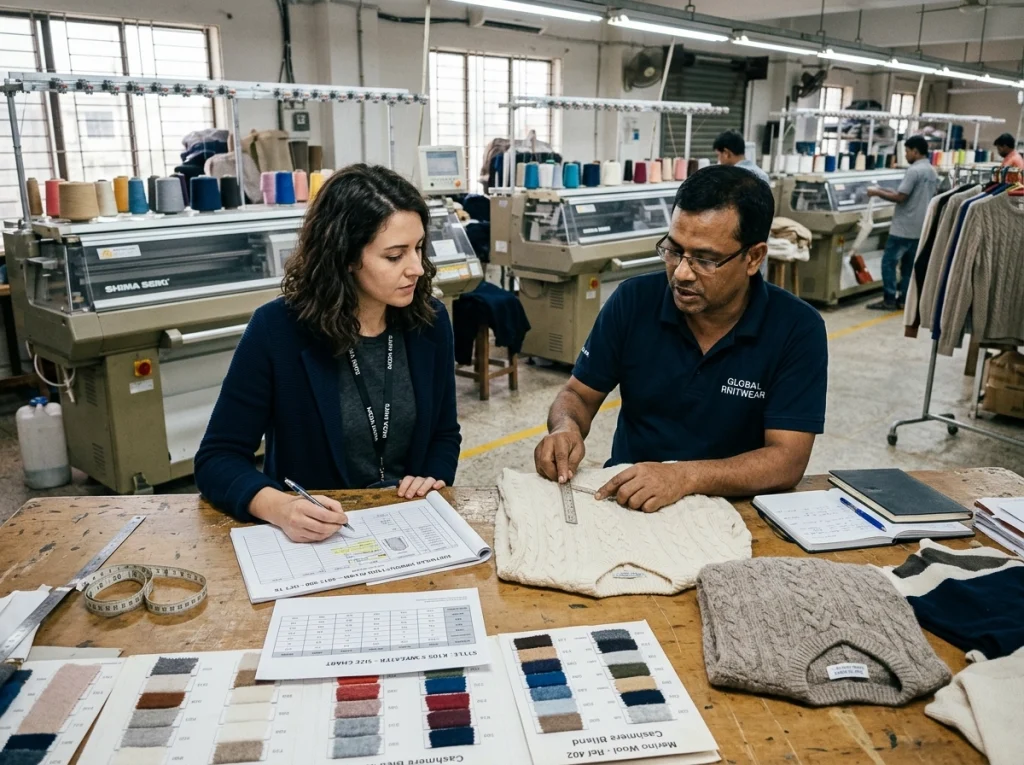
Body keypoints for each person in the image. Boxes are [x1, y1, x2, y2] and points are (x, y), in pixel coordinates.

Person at [533, 165, 827, 512]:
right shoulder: (633, 302)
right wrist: (565, 428)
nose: (682, 273)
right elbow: (577, 394)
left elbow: (786, 460)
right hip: (631, 500)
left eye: (705, 259)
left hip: (735, 507)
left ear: (754, 257)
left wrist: (682, 477)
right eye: (674, 251)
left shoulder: (796, 328)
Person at [194, 164, 461, 541]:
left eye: (418, 249)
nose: (416, 268)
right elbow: (216, 459)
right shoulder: (278, 330)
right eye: (394, 255)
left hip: (408, 526)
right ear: (347, 257)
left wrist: (434, 476)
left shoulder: (429, 322)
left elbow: (445, 434)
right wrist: (280, 507)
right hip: (321, 536)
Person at [865, 135, 938, 311]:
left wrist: (876, 193)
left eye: (906, 151)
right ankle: (904, 299)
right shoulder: (931, 171)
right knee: (908, 267)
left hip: (903, 228)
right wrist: (881, 189)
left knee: (888, 263)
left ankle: (889, 299)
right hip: (920, 227)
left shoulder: (914, 171)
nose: (905, 155)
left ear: (915, 151)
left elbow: (900, 197)